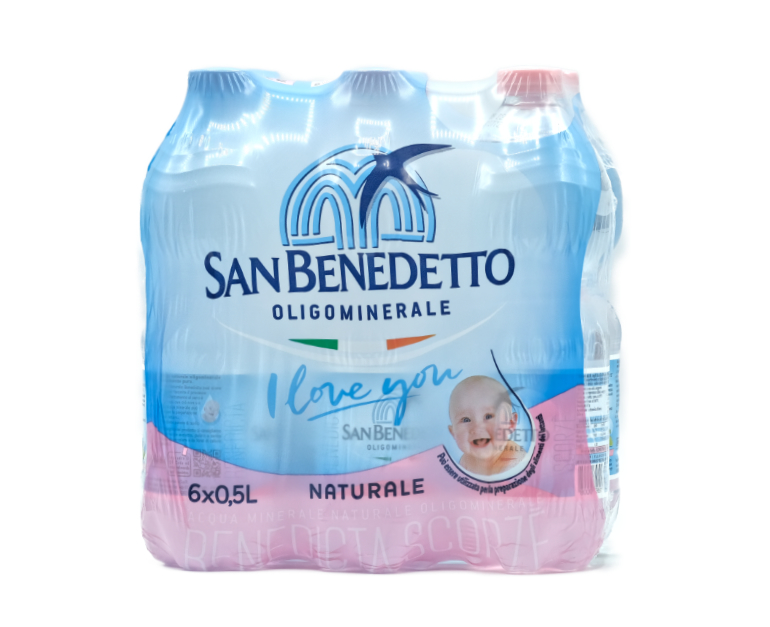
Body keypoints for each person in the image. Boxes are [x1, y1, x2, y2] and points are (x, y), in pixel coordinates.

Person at [448, 375, 527, 476]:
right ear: (453, 433)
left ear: (510, 423)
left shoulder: (515, 462)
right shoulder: (465, 461)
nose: (477, 427)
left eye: (488, 416)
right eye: (466, 420)